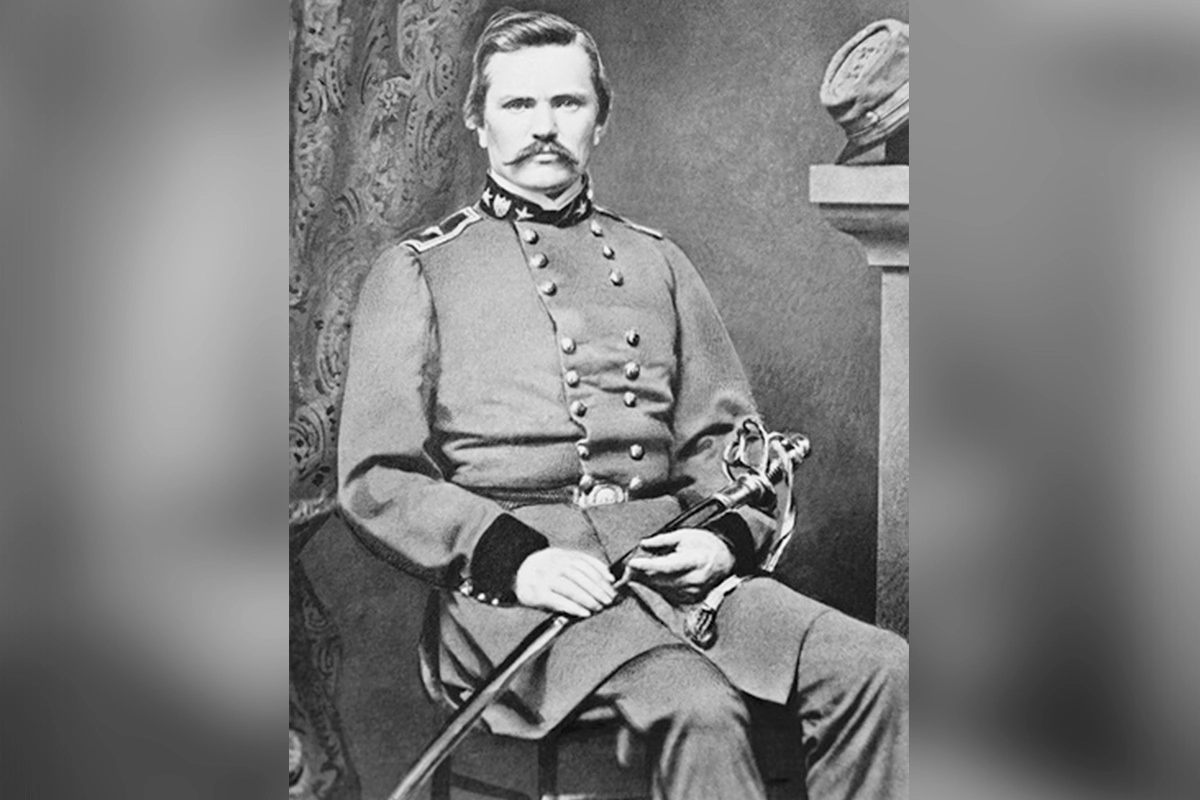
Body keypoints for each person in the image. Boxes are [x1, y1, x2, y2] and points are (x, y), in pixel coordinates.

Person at [338, 9, 907, 799]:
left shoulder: (657, 261)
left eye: (567, 103)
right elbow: (378, 477)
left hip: (678, 578)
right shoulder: (418, 272)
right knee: (698, 709)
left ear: (599, 121)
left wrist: (722, 543)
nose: (545, 127)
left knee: (880, 668)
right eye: (519, 104)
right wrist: (516, 560)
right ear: (477, 120)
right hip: (522, 603)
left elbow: (726, 446)